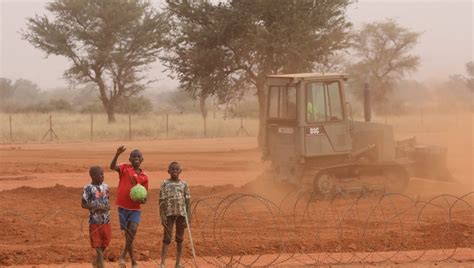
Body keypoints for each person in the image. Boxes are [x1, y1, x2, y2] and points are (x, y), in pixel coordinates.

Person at [110, 146, 149, 268]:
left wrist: (140, 196)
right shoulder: (125, 168)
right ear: (130, 159)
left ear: (142, 159)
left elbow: (144, 198)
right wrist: (116, 154)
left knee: (132, 230)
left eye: (138, 156)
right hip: (122, 206)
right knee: (128, 236)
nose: (136, 158)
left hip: (135, 208)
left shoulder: (144, 176)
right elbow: (112, 167)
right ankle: (133, 261)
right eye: (134, 156)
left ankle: (122, 256)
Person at [159, 162, 191, 268]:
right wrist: (162, 215)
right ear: (168, 171)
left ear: (180, 171)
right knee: (167, 238)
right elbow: (161, 201)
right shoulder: (164, 184)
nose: (175, 171)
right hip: (169, 214)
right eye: (172, 169)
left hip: (181, 214)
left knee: (179, 239)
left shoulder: (184, 184)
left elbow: (187, 202)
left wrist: (188, 217)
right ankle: (163, 263)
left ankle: (178, 262)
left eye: (177, 169)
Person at [81, 166, 111, 268]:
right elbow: (83, 204)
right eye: (100, 174)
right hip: (94, 220)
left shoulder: (106, 187)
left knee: (105, 242)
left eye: (103, 174)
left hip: (106, 219)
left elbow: (108, 202)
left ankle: (96, 261)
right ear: (93, 176)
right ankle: (102, 264)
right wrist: (96, 206)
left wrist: (107, 207)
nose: (103, 176)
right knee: (97, 244)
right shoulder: (88, 188)